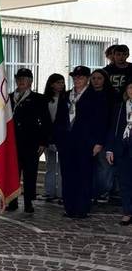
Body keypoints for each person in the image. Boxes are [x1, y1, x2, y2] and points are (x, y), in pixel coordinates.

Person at [53, 66, 106, 219]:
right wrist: (57, 138)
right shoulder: (66, 95)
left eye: (81, 77)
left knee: (84, 175)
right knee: (68, 175)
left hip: (86, 143)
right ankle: (69, 207)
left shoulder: (95, 96)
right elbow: (58, 119)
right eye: (75, 77)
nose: (77, 80)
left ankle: (82, 208)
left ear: (87, 79)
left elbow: (101, 121)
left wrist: (98, 142)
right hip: (67, 142)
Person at [5, 68, 50, 214]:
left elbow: (46, 122)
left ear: (31, 81)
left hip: (31, 143)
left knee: (30, 174)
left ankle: (29, 201)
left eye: (25, 79)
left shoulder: (39, 99)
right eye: (19, 78)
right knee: (12, 173)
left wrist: (43, 142)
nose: (21, 81)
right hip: (11, 143)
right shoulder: (8, 97)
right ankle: (12, 201)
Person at [106, 81, 132, 226]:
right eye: (130, 87)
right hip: (122, 147)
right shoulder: (120, 107)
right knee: (125, 182)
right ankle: (127, 212)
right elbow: (112, 129)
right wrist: (110, 148)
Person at [90, 68, 118, 203]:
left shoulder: (111, 95)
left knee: (105, 166)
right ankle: (93, 193)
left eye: (99, 78)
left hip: (106, 136)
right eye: (93, 78)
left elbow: (112, 119)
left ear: (105, 80)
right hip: (89, 137)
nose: (96, 81)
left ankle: (103, 192)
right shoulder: (86, 94)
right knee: (91, 167)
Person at [42, 74, 66, 202]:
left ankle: (62, 192)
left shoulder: (66, 98)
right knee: (50, 165)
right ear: (51, 84)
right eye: (58, 82)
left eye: (62, 83)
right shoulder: (45, 99)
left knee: (62, 167)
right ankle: (49, 191)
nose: (60, 85)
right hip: (49, 135)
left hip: (61, 136)